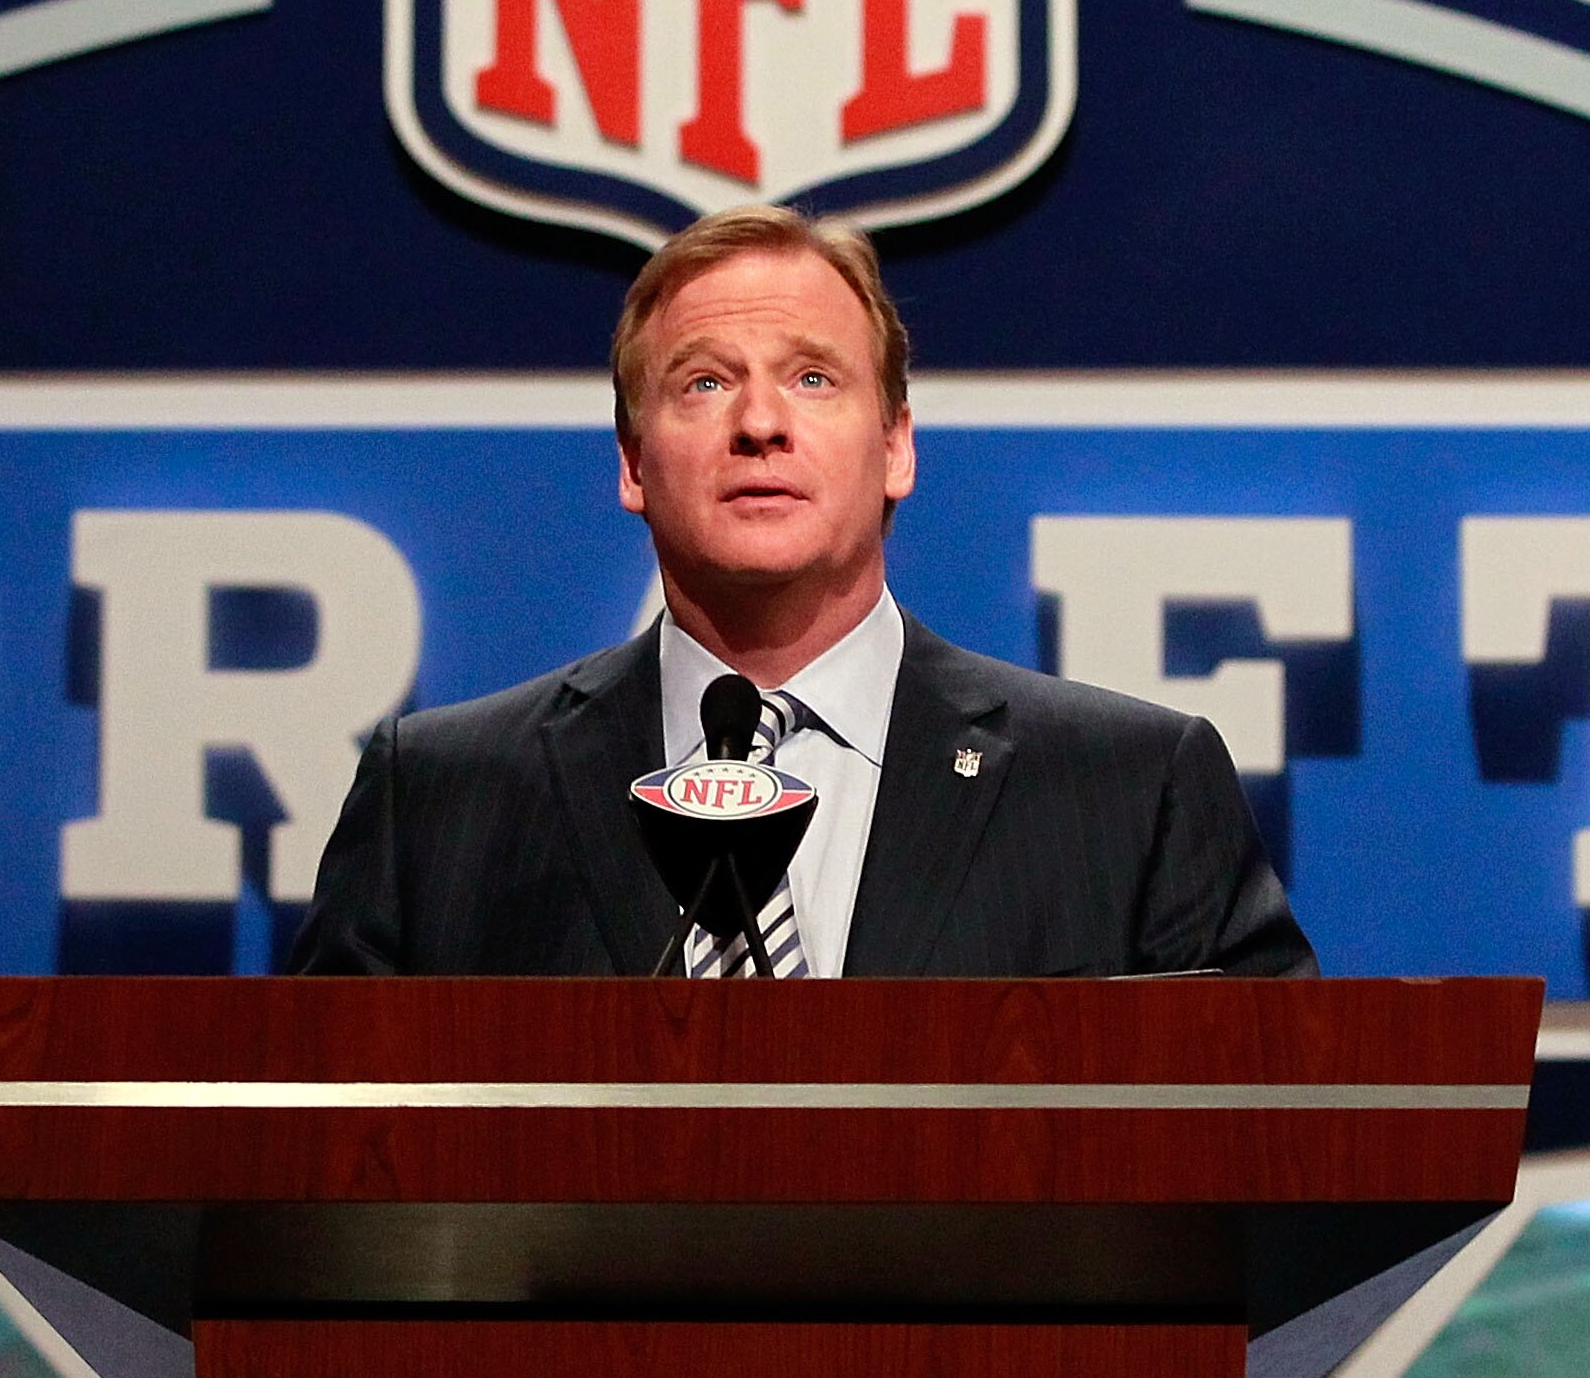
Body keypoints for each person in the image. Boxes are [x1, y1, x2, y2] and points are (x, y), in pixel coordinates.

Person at [293, 204, 1312, 977]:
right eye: (703, 382)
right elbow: (314, 1185)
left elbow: (1265, 1155)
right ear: (634, 464)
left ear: (897, 446)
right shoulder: (440, 800)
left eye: (815, 378)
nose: (760, 423)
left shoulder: (1130, 791)